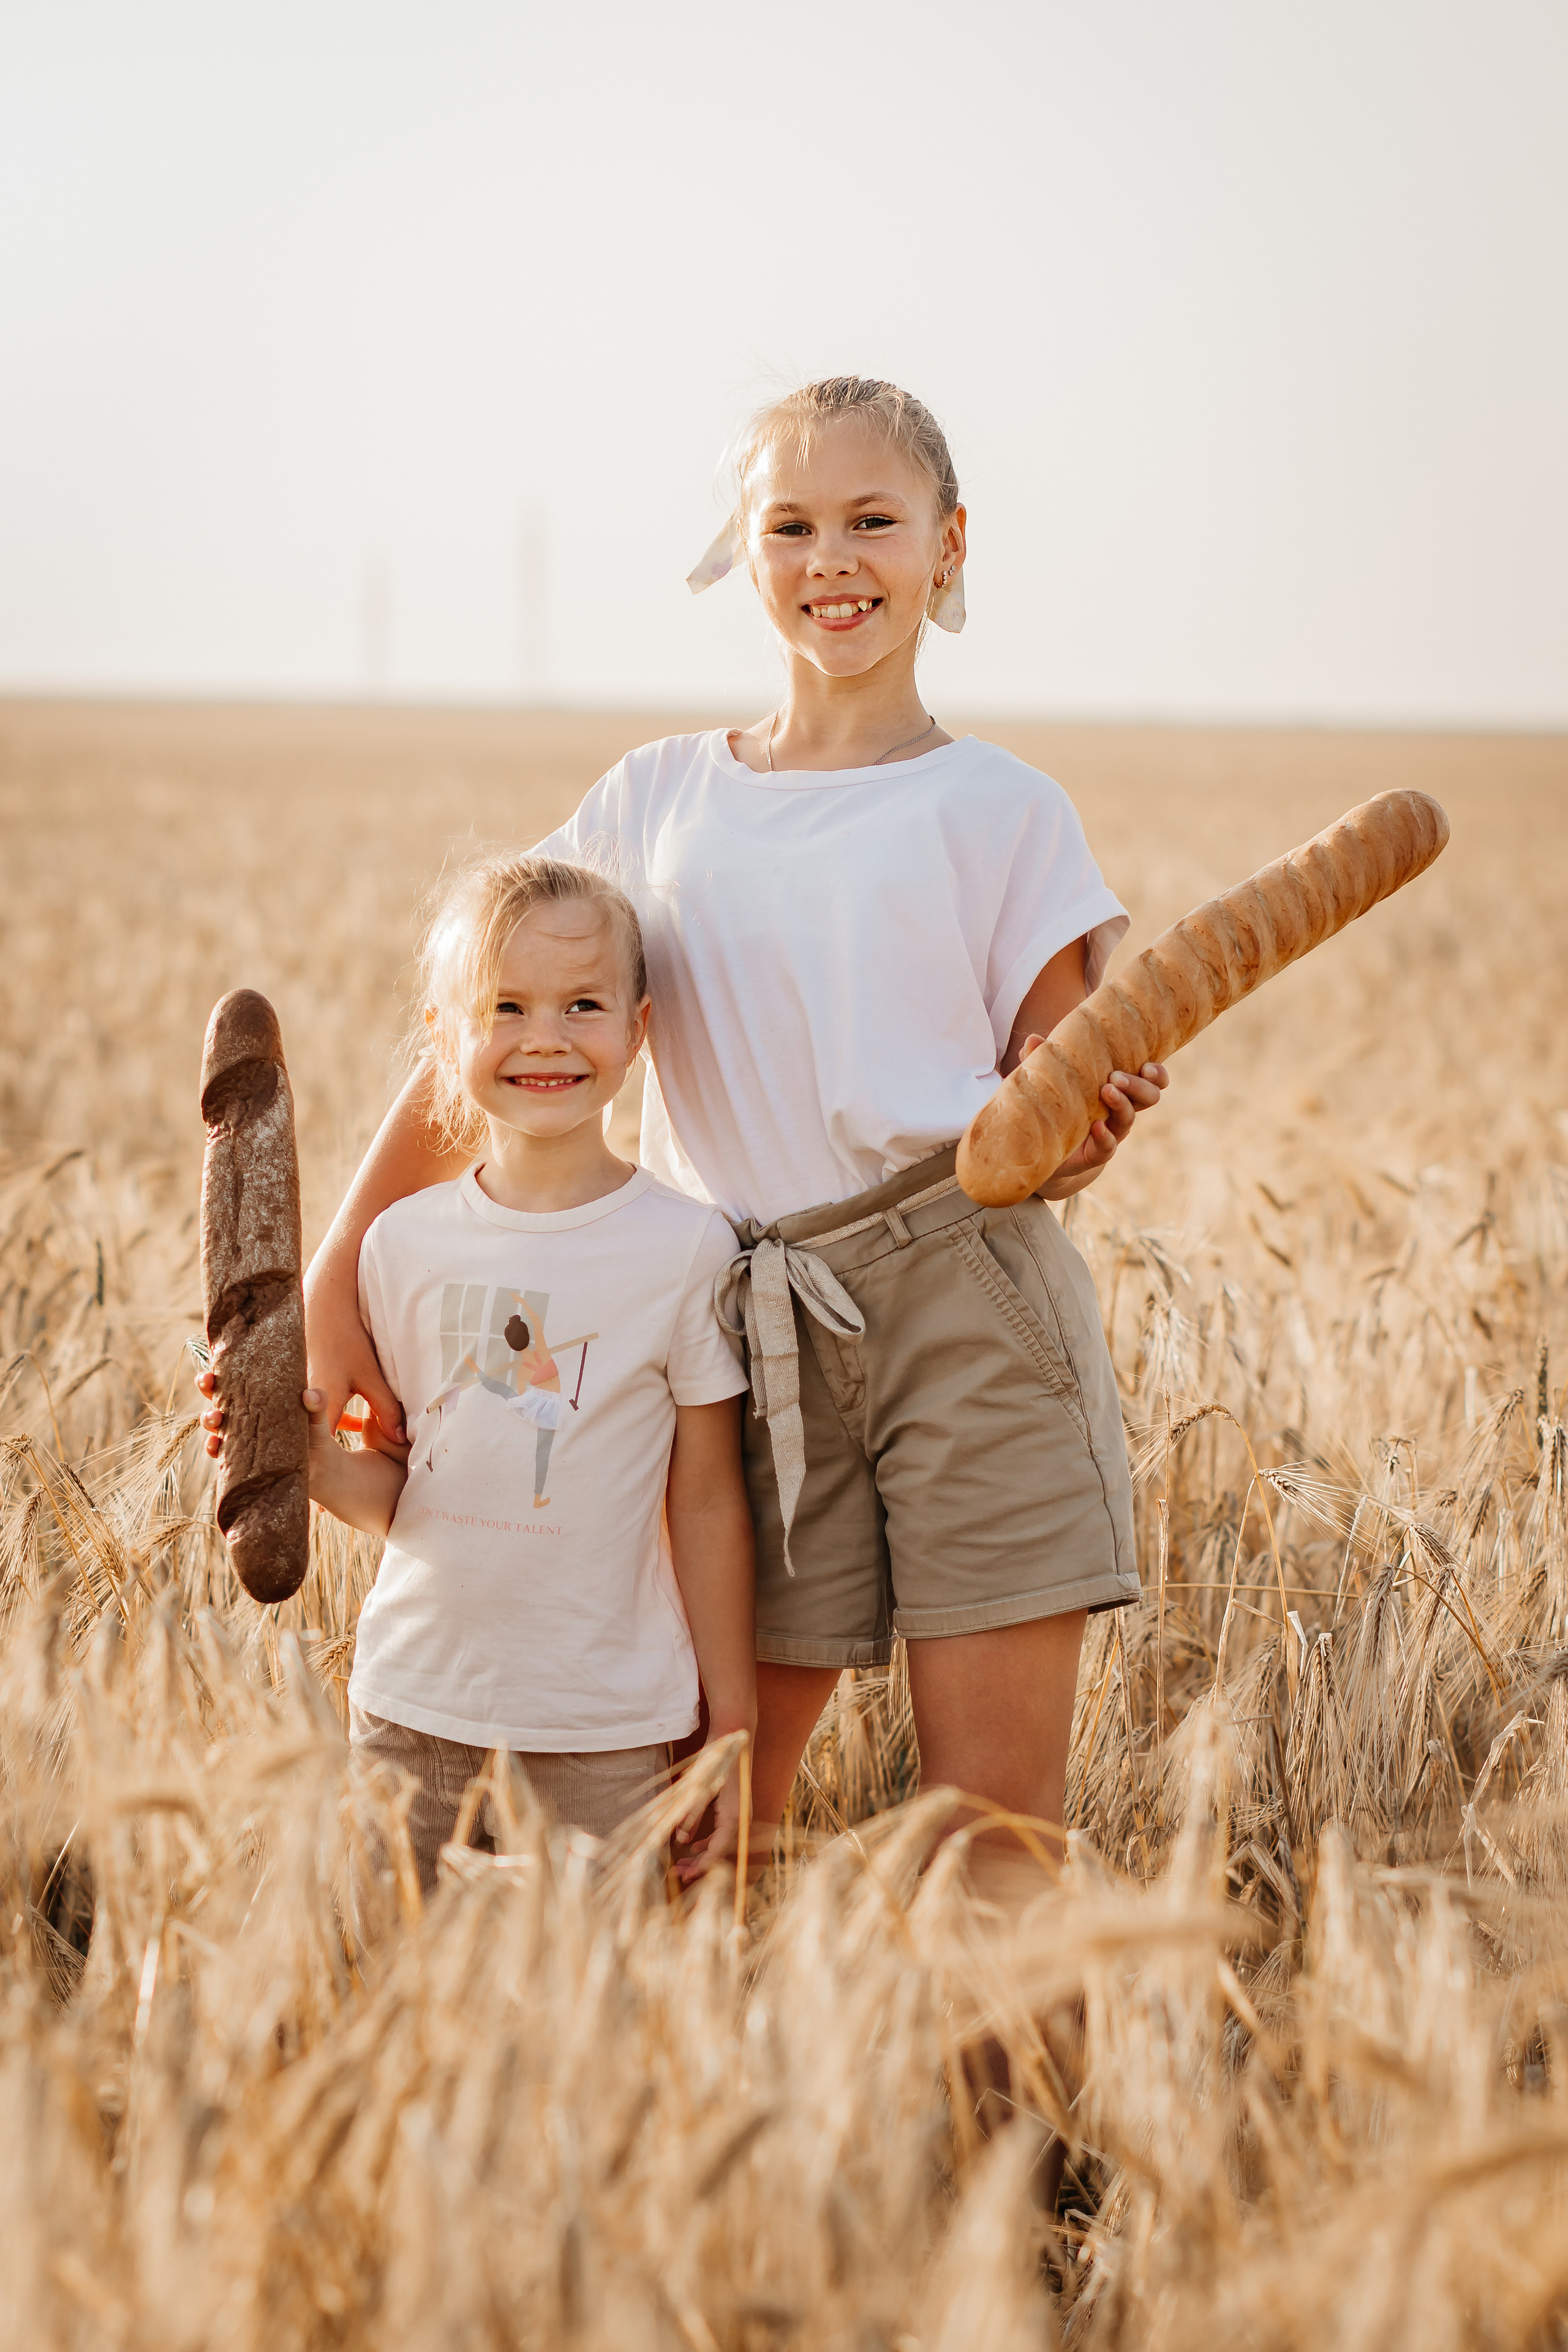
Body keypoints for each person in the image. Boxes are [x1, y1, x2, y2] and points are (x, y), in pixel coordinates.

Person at [285, 376, 1167, 1875]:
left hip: (972, 1301)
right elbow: (493, 1029)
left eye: (873, 522)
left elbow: (1050, 1079)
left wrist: (1084, 1123)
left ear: (948, 546)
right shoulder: (650, 799)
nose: (833, 558)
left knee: (990, 1833)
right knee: (697, 1824)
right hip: (734, 1331)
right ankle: (705, 2093)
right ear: (742, 557)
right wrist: (332, 1283)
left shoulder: (1004, 810)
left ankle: (1010, 2121)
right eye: (791, 524)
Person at [202, 854, 756, 1890]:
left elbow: (710, 1499)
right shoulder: (400, 1247)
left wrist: (732, 1722)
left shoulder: (685, 1250)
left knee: (603, 2025)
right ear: (442, 1038)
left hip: (606, 1730)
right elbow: (416, 1492)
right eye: (505, 1006)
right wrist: (299, 1454)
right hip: (414, 1705)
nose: (545, 1035)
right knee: (385, 2001)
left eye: (582, 1004)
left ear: (638, 1029)